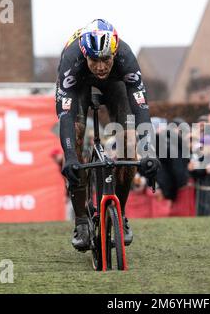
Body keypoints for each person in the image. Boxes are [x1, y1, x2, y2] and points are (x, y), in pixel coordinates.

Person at [55, 19, 160, 252]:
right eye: (95, 60)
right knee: (77, 134)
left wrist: (148, 151)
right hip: (78, 84)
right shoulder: (73, 58)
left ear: (114, 53)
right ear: (85, 55)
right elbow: (65, 116)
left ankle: (120, 214)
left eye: (106, 60)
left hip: (116, 85)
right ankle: (81, 221)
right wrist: (71, 155)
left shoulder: (125, 57)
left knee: (129, 141)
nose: (101, 67)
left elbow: (141, 108)